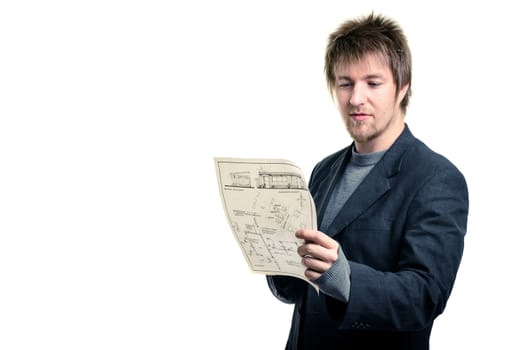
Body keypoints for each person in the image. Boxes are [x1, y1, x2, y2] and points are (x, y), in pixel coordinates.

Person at [266, 13, 469, 350]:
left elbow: (425, 296)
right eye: (345, 83)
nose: (356, 98)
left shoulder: (437, 179)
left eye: (373, 83)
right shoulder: (324, 170)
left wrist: (343, 277)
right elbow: (299, 290)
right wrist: (274, 253)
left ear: (402, 88)